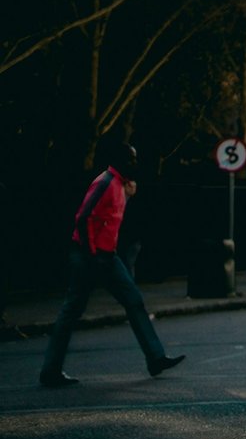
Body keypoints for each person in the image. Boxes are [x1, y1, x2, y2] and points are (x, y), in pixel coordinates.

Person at [39, 144, 184, 388]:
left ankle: (155, 358)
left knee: (134, 301)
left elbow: (109, 217)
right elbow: (84, 217)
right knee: (72, 310)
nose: (134, 163)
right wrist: (92, 254)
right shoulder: (105, 182)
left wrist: (128, 196)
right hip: (89, 255)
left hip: (107, 256)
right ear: (119, 161)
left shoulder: (120, 185)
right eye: (131, 159)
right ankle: (50, 371)